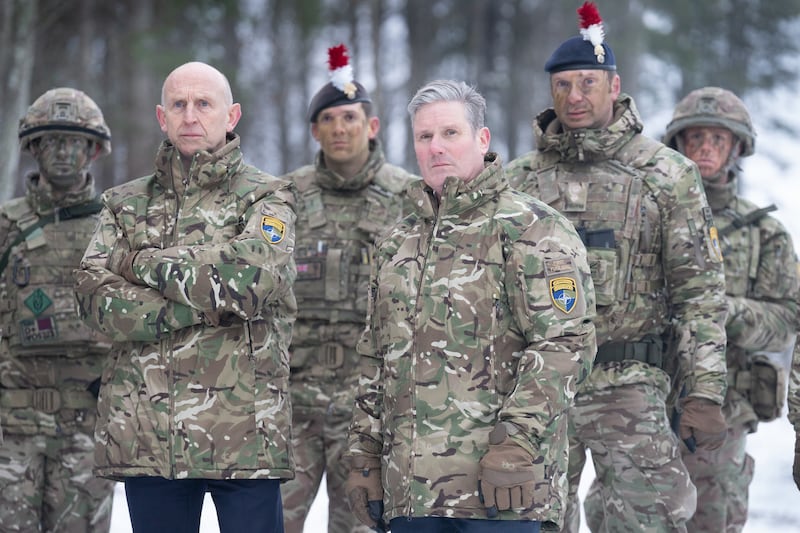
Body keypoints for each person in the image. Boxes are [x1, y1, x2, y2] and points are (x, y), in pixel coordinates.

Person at [505, 3, 729, 531]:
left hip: (629, 381)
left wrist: (704, 391)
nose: (575, 97)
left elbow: (700, 293)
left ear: (614, 85)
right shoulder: (518, 182)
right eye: (563, 85)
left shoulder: (666, 174)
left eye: (588, 82)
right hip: (538, 388)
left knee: (653, 518)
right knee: (527, 520)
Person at [344, 79, 597, 533]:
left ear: (482, 139)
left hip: (503, 491)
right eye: (425, 137)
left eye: (450, 133)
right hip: (412, 495)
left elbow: (566, 345)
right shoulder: (396, 243)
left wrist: (516, 444)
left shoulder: (533, 229)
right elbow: (374, 358)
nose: (436, 147)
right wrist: (364, 453)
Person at [73, 61, 297, 533]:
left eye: (203, 104)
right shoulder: (123, 205)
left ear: (231, 115)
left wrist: (140, 264)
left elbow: (247, 284)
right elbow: (95, 301)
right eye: (179, 104)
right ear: (162, 117)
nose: (190, 116)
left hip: (245, 437)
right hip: (151, 439)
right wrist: (204, 302)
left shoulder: (268, 197)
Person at [279, 44, 417, 533]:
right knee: (272, 519)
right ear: (315, 130)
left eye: (351, 118)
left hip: (368, 400)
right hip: (292, 395)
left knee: (362, 523)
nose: (340, 129)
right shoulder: (283, 198)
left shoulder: (408, 198)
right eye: (329, 120)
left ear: (371, 126)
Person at [663, 86, 799, 531]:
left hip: (724, 414)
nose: (704, 149)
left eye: (717, 140)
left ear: (737, 146)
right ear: (678, 144)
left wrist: (725, 310)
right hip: (642, 407)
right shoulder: (648, 215)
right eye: (695, 138)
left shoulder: (765, 234)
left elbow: (787, 321)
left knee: (712, 521)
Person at [0, 87, 115, 532]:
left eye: (73, 141)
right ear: (34, 148)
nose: (62, 152)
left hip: (84, 425)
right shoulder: (7, 225)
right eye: (51, 141)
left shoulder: (115, 225)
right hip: (13, 426)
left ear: (92, 150)